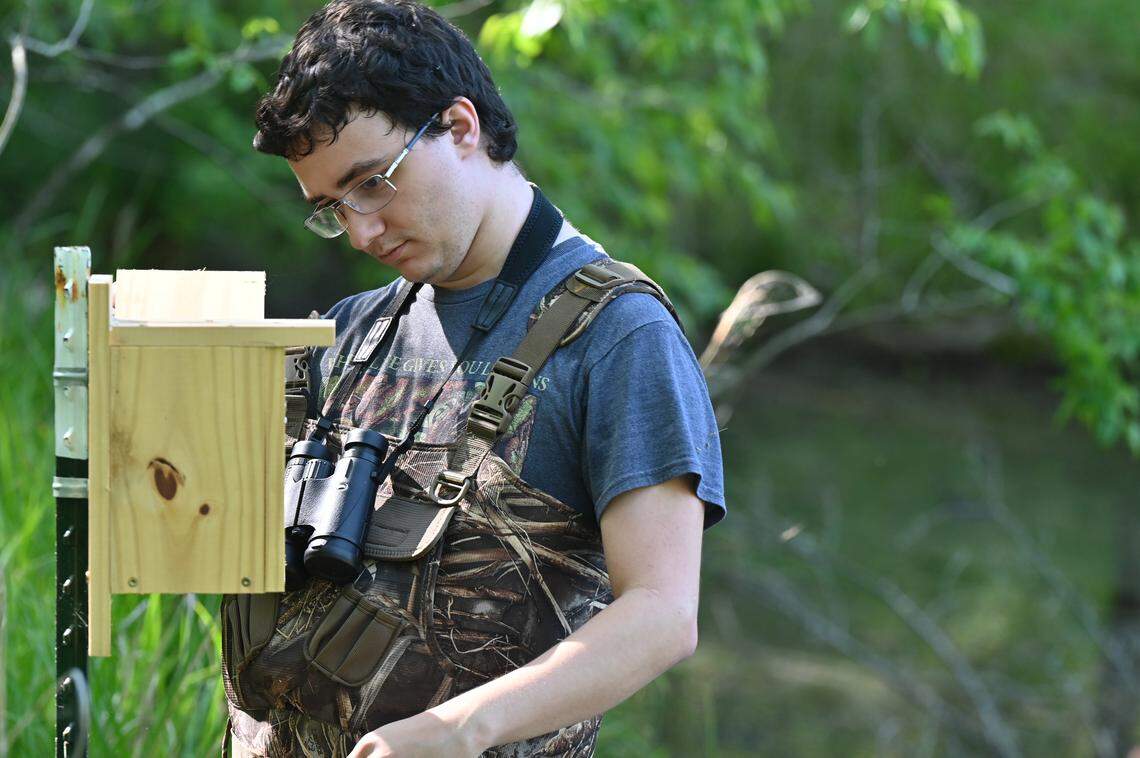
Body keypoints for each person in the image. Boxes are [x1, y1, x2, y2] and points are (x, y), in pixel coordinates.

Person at [220, 1, 725, 756]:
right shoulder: (350, 331)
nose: (360, 230)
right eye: (330, 209)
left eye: (371, 184)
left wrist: (460, 729)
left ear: (460, 128)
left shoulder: (619, 334)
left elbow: (661, 614)